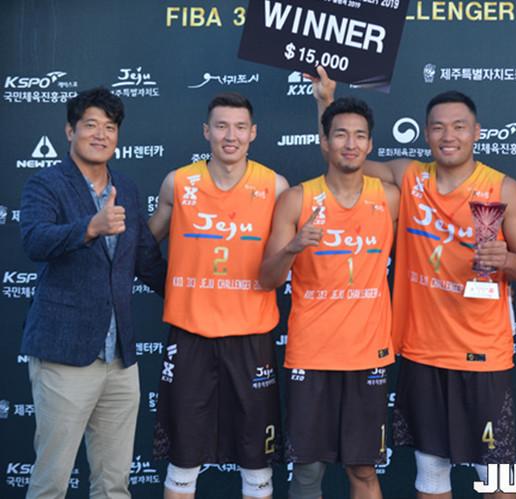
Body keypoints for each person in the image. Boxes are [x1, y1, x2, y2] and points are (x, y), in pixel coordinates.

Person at [309, 68, 516, 499]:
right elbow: (344, 159)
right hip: (422, 352)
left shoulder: (503, 189)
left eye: (459, 127)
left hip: (482, 355)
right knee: (431, 474)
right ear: (427, 133)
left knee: (496, 476)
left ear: (477, 133)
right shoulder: (410, 177)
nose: (448, 136)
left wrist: (506, 259)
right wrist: (326, 102)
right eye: (438, 127)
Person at [19, 87, 167, 499]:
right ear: (70, 131)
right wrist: (90, 227)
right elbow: (34, 240)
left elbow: (146, 260)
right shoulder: (45, 183)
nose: (101, 134)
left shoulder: (127, 189)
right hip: (64, 353)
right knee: (51, 482)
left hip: (120, 360)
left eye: (110, 127)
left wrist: (194, 297)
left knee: (114, 483)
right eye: (90, 125)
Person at [147, 93, 289, 499]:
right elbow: (143, 247)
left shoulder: (275, 186)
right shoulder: (179, 182)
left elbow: (284, 260)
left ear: (253, 133)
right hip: (190, 333)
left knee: (257, 463)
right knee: (183, 460)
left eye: (240, 127)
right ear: (206, 131)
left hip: (251, 336)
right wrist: (175, 288)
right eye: (222, 126)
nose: (231, 136)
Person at [260, 96, 400, 499]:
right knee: (307, 472)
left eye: (359, 136)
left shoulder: (390, 197)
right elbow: (268, 279)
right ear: (324, 142)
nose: (350, 144)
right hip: (312, 354)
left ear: (370, 145)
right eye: (340, 135)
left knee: (363, 470)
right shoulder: (297, 199)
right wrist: (293, 247)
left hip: (368, 355)